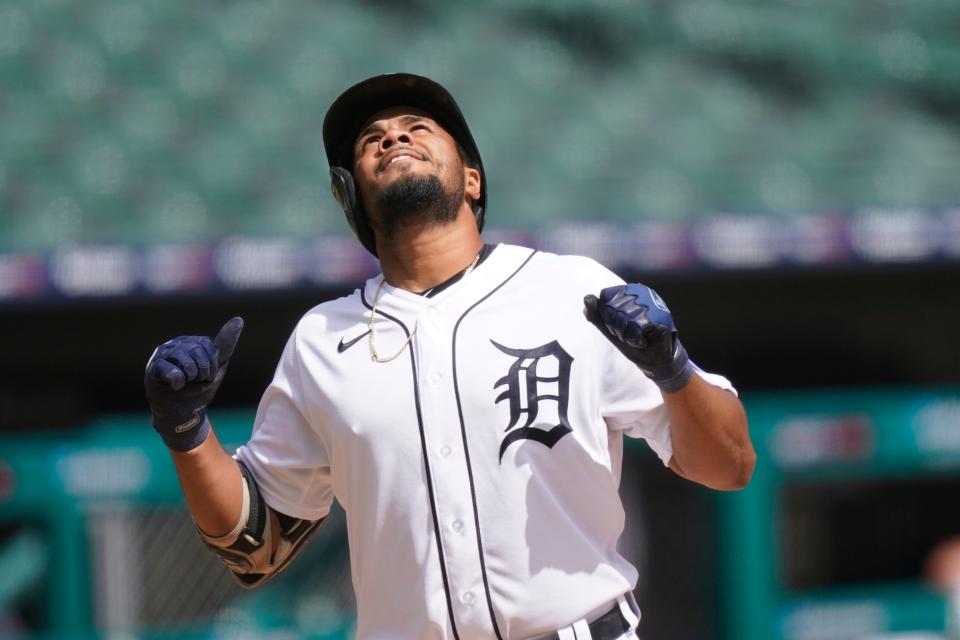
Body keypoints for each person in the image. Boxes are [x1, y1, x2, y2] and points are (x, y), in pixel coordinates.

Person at [144, 73, 755, 640]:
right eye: (371, 139)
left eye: (417, 126)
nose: (393, 137)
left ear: (472, 178)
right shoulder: (320, 339)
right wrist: (185, 430)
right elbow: (257, 550)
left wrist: (672, 371)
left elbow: (730, 467)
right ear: (353, 196)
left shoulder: (573, 292)